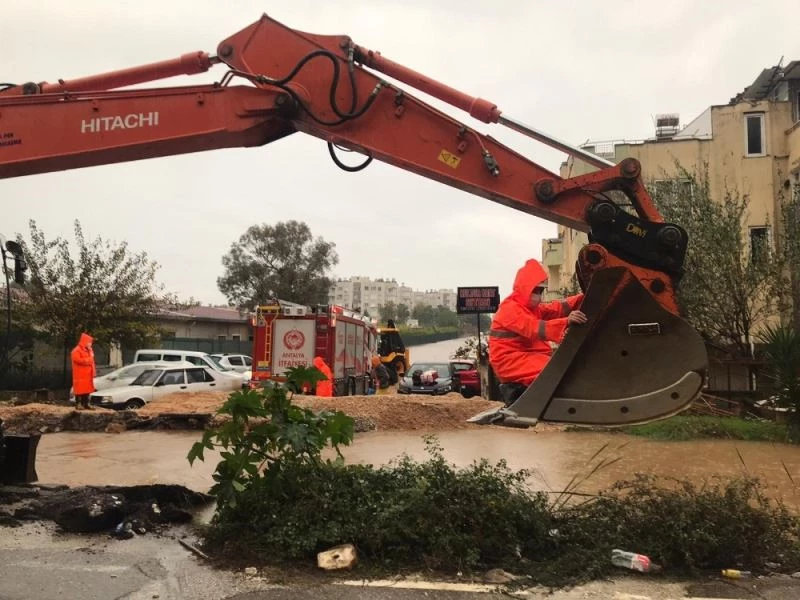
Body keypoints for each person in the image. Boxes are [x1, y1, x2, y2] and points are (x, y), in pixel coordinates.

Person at [489, 259, 587, 387]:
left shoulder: (531, 308)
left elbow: (556, 308)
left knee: (562, 368)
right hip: (510, 361)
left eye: (541, 291)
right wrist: (567, 321)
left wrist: (583, 296)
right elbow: (534, 328)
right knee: (556, 371)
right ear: (526, 288)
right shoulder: (510, 309)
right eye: (536, 290)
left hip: (525, 357)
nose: (538, 295)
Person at [71, 332, 96, 410]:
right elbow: (79, 360)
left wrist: (93, 372)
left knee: (87, 390)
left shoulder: (89, 350)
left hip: (87, 374)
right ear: (84, 341)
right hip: (80, 374)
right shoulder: (76, 350)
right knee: (79, 390)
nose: (90, 344)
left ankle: (86, 404)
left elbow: (92, 362)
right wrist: (89, 359)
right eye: (89, 342)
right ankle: (78, 403)